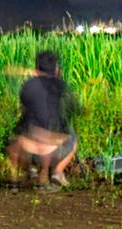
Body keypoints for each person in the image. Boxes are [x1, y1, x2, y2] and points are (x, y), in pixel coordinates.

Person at [8, 50, 78, 187]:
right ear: (56, 69)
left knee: (22, 131)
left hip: (28, 146)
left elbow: (25, 104)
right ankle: (57, 172)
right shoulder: (60, 85)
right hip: (52, 148)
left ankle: (30, 168)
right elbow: (74, 108)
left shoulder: (27, 86)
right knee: (73, 137)